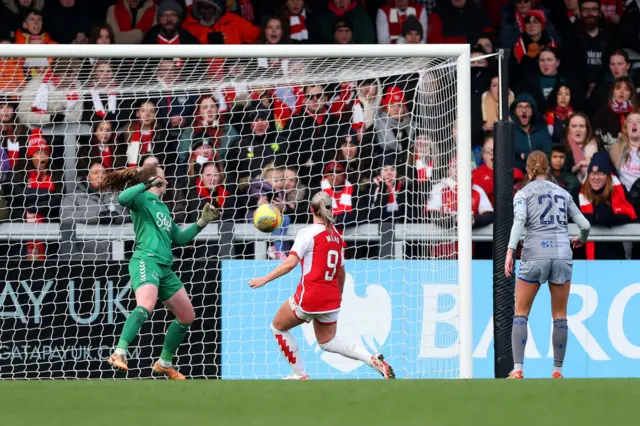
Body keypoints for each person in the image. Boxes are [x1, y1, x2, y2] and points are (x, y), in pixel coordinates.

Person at [248, 191, 395, 380]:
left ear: (311, 209)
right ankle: (372, 359)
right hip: (331, 297)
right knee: (327, 341)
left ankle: (299, 373)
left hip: (310, 295)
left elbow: (290, 263)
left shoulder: (307, 233)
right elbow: (341, 272)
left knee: (278, 327)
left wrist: (264, 279)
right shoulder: (336, 237)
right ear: (330, 209)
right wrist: (339, 296)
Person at [100, 163, 219, 379]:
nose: (168, 182)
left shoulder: (163, 208)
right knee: (145, 304)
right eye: (164, 178)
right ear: (156, 180)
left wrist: (201, 222)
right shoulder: (142, 199)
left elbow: (180, 239)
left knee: (187, 316)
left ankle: (164, 363)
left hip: (165, 267)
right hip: (146, 260)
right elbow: (122, 199)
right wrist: (145, 184)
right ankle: (118, 353)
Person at [504, 150, 591, 379]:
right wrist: (580, 240)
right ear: (548, 169)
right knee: (560, 315)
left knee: (521, 313)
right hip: (562, 252)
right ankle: (557, 370)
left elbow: (520, 221)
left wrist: (510, 250)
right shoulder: (563, 193)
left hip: (535, 252)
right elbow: (585, 224)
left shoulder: (522, 194)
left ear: (529, 170)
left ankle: (519, 367)